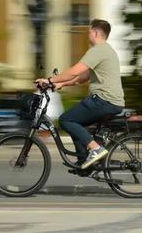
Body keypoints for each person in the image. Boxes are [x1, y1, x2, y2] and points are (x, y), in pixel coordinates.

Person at [36, 19, 124, 169]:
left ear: (96, 33)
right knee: (77, 123)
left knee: (66, 120)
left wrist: (49, 80)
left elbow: (74, 71)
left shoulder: (98, 50)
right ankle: (84, 161)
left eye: (89, 31)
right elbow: (82, 77)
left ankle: (96, 149)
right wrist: (61, 83)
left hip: (103, 101)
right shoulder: (107, 50)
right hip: (110, 101)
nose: (87, 34)